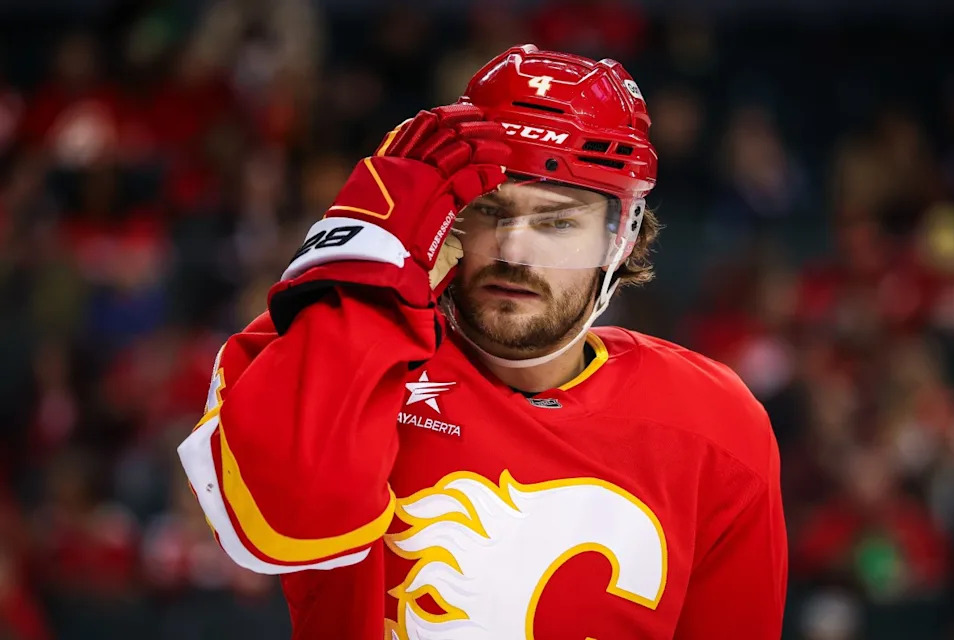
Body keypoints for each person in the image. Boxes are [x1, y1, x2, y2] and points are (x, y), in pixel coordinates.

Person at [178, 44, 788, 639]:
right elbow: (279, 525)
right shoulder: (352, 354)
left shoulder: (716, 422)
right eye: (489, 211)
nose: (514, 250)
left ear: (621, 238)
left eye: (557, 220)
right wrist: (376, 245)